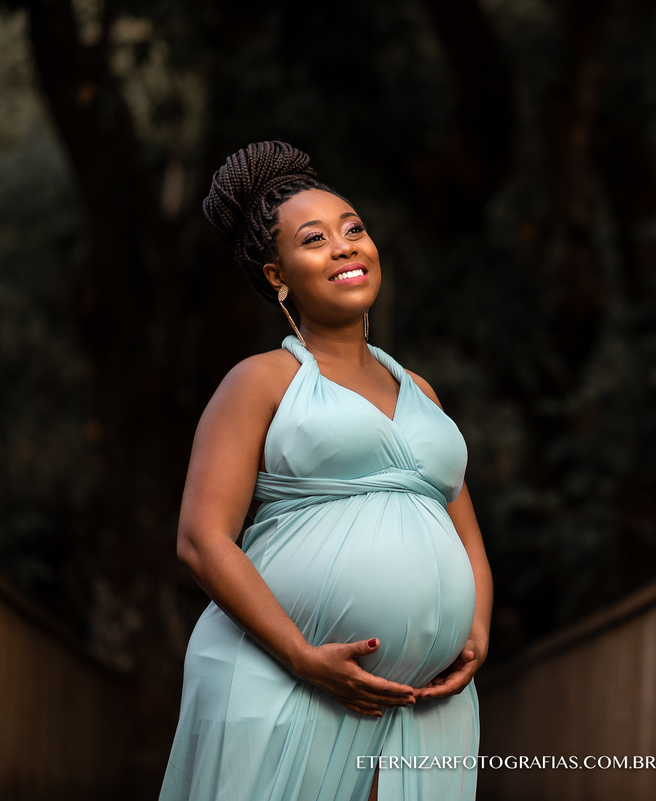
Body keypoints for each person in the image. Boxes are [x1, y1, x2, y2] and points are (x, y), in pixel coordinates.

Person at [159, 141, 492, 801]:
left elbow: (469, 540)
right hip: (283, 679)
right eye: (315, 239)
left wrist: (474, 632)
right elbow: (201, 538)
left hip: (429, 704)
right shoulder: (259, 381)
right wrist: (299, 653)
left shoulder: (421, 390)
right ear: (277, 274)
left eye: (354, 230)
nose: (345, 246)